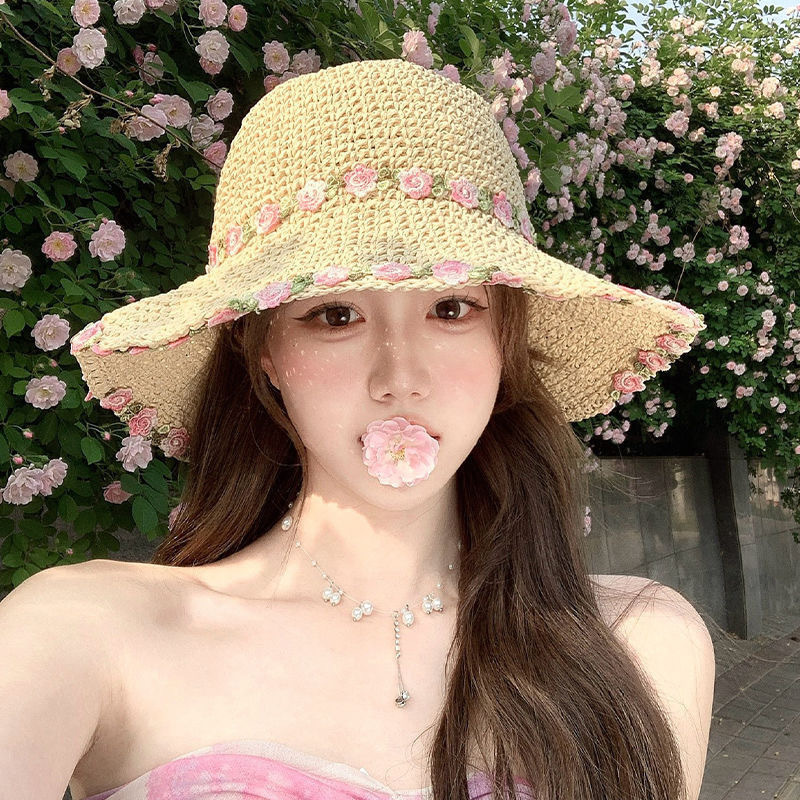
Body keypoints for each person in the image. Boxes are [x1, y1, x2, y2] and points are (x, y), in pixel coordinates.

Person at [0, 58, 715, 800]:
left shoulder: (643, 644)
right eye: (335, 316)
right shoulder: (84, 634)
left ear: (506, 338)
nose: (399, 375)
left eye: (451, 309)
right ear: (264, 351)